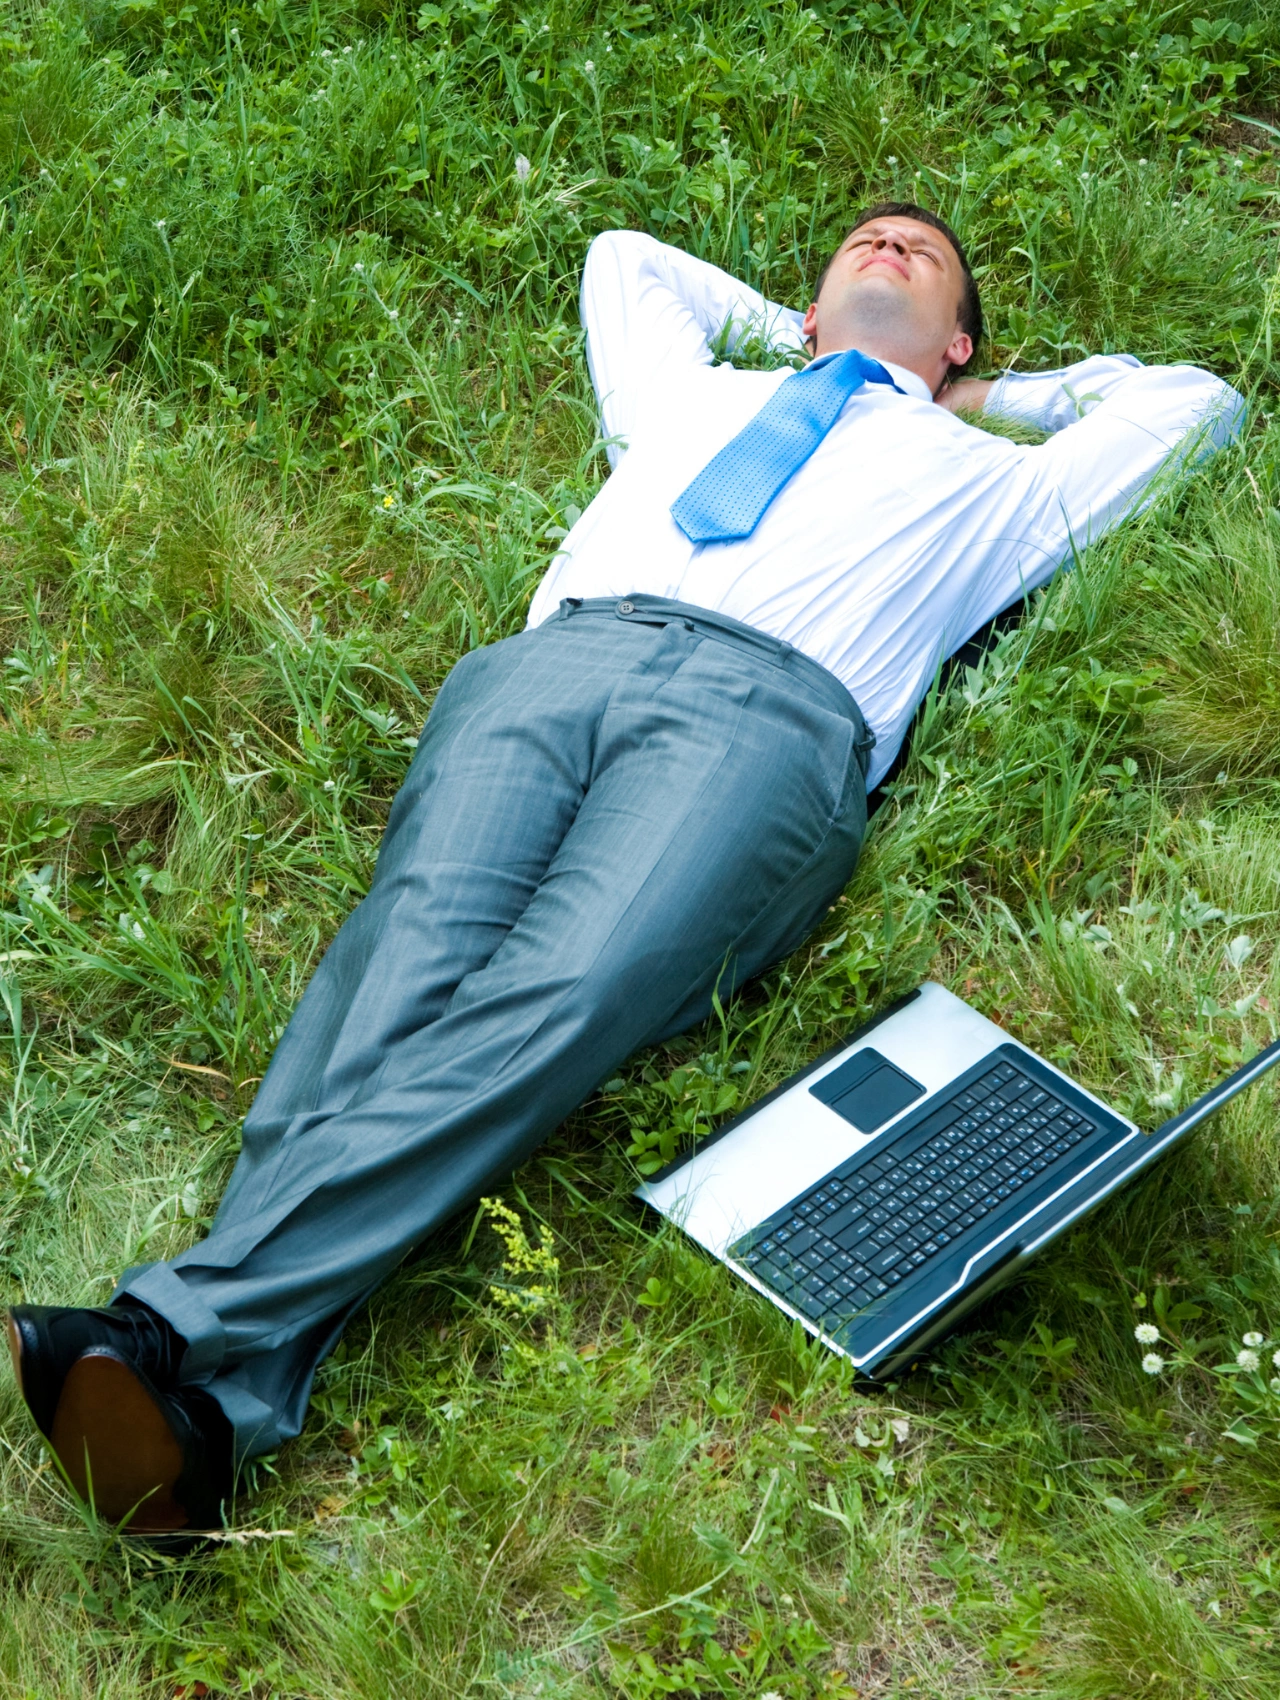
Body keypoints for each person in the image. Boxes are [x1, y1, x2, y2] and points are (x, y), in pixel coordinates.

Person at [6, 204, 1243, 1533]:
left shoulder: (1002, 483)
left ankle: (166, 1323)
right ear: (808, 304)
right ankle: (208, 1425)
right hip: (552, 669)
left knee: (571, 984)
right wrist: (813, 344)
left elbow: (1196, 403)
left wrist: (982, 391)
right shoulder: (698, 396)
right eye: (864, 241)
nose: (888, 245)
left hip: (765, 721)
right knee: (398, 962)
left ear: (962, 340)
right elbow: (624, 260)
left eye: (923, 256)